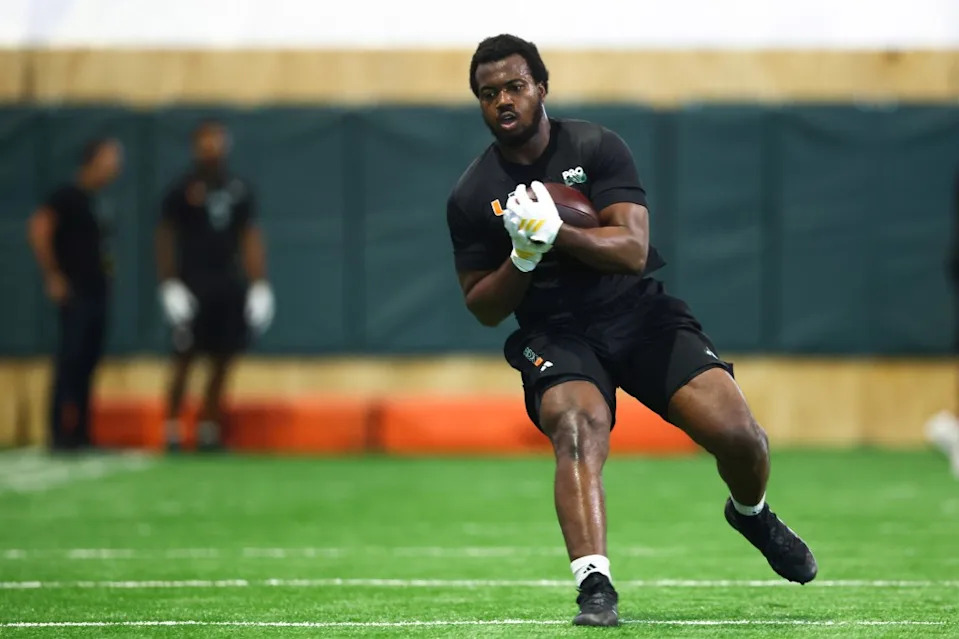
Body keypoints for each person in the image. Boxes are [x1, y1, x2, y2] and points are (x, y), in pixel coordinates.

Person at [446, 34, 818, 627]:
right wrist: (519, 257)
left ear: (542, 87)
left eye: (515, 86)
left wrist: (555, 234)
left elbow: (632, 250)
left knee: (741, 436)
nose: (504, 101)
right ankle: (595, 585)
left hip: (636, 312)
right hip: (554, 331)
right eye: (489, 94)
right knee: (575, 427)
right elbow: (483, 307)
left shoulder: (596, 146)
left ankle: (752, 513)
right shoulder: (471, 195)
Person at [156, 119, 274, 452]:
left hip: (228, 283)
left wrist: (259, 284)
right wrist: (169, 284)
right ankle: (173, 428)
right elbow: (165, 236)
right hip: (193, 283)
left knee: (223, 358)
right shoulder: (181, 190)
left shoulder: (238, 188)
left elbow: (250, 236)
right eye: (206, 142)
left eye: (217, 141)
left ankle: (209, 429)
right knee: (185, 356)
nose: (212, 148)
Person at [27, 138, 123, 452]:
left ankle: (81, 432)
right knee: (70, 358)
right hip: (76, 291)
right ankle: (58, 433)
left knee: (88, 362)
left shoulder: (99, 201)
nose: (115, 166)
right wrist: (53, 275)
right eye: (110, 159)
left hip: (98, 292)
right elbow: (39, 229)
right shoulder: (66, 196)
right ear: (92, 160)